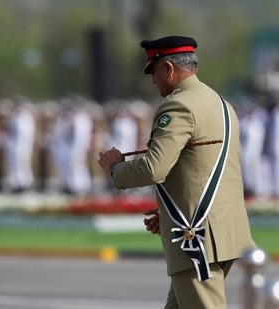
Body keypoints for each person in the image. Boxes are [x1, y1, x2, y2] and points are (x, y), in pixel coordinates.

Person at [97, 35, 255, 309]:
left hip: (197, 237)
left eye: (154, 71)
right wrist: (168, 212)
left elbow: (154, 169)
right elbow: (204, 168)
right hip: (223, 230)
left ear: (169, 68)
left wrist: (114, 169)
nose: (153, 80)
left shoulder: (178, 105)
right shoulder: (221, 104)